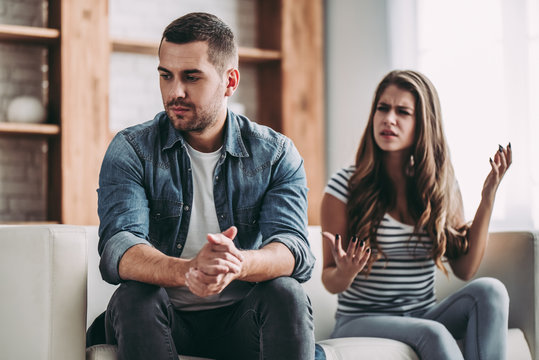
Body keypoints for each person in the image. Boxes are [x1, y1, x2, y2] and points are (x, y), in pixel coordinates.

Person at [96, 12, 315, 360]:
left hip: (244, 320)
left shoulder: (275, 154)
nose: (175, 91)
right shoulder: (132, 149)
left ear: (230, 82)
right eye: (166, 76)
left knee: (286, 292)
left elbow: (293, 249)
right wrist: (189, 271)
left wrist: (236, 264)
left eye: (191, 77)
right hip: (163, 319)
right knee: (133, 295)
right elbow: (119, 247)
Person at [321, 70, 512, 360]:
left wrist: (487, 199)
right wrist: (346, 272)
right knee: (433, 332)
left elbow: (465, 270)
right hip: (361, 319)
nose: (389, 119)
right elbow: (328, 279)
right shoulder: (344, 186)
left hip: (423, 313)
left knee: (491, 291)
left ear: (423, 123)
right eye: (382, 108)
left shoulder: (441, 186)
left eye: (403, 112)